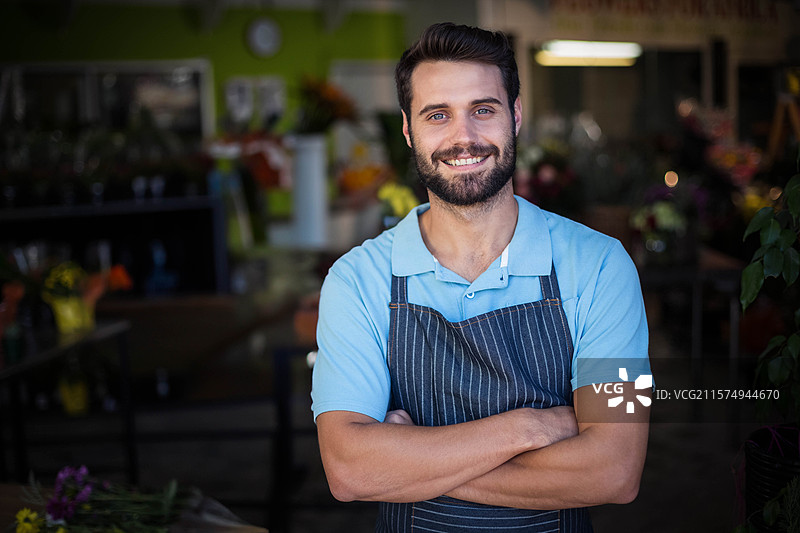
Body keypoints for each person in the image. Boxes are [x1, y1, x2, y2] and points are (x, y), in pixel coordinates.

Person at [311, 22, 651, 532]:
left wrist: (407, 461)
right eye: (437, 115)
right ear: (408, 129)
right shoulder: (356, 280)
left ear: (515, 115)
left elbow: (616, 471)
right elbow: (348, 470)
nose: (463, 137)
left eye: (483, 110)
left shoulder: (604, 266)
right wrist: (531, 426)